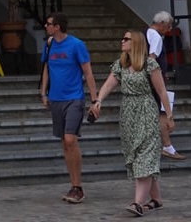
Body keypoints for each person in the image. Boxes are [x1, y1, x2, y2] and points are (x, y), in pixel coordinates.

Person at [88, 29, 175, 216]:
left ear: (135, 42)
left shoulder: (149, 64)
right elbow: (109, 85)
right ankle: (157, 199)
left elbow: (161, 91)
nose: (122, 41)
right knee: (137, 157)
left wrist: (168, 116)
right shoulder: (121, 64)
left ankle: (137, 203)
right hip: (128, 114)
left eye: (126, 39)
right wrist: (98, 101)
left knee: (145, 156)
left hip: (146, 110)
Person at [39, 12, 98, 205]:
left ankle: (78, 186)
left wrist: (94, 98)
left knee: (70, 138)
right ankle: (74, 184)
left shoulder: (76, 45)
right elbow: (47, 67)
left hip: (74, 98)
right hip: (56, 98)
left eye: (48, 24)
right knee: (65, 143)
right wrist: (43, 92)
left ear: (57, 26)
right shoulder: (49, 45)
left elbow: (87, 72)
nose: (46, 27)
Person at [146, 10, 185, 160]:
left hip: (151, 78)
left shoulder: (146, 33)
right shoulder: (156, 36)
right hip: (154, 79)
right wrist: (157, 77)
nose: (169, 30)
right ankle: (167, 146)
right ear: (161, 24)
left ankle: (167, 146)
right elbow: (152, 58)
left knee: (160, 111)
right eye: (168, 26)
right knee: (163, 111)